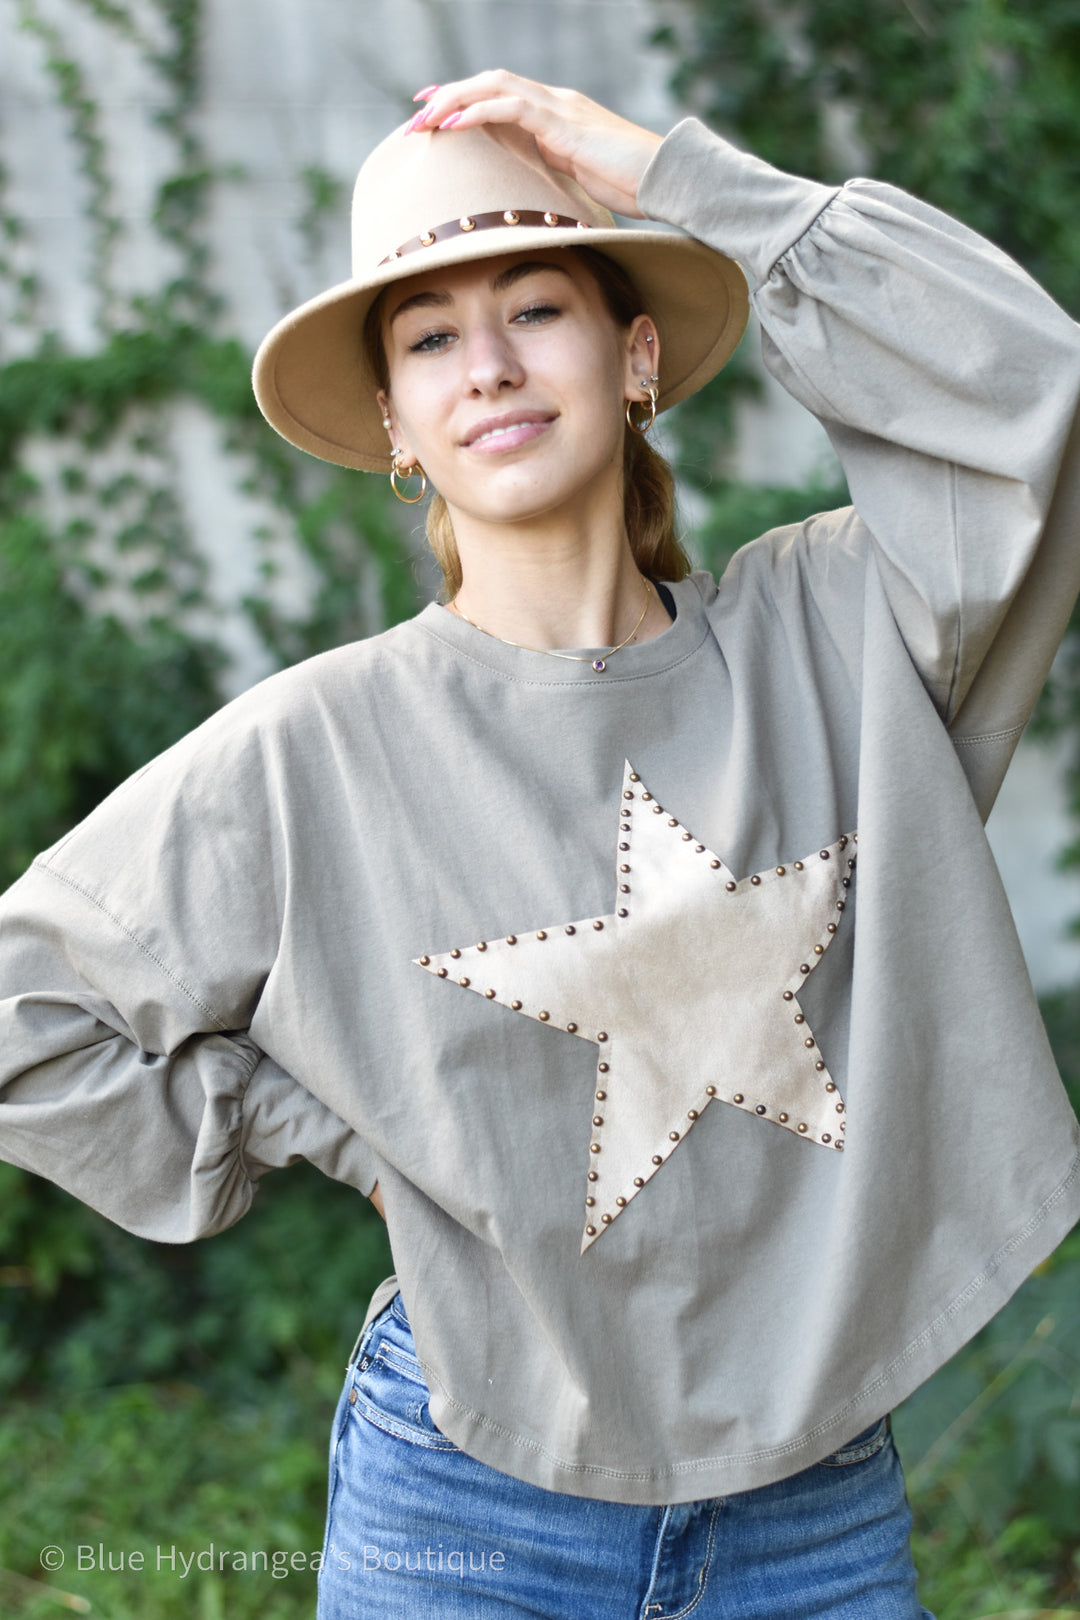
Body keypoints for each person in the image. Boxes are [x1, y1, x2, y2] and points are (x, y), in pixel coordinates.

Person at [3, 65, 1080, 1620]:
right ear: (395, 425)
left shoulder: (836, 633)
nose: (490, 366)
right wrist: (324, 1132)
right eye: (432, 337)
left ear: (637, 354)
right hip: (466, 1501)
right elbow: (25, 1013)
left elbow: (1030, 400)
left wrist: (680, 179)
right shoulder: (315, 747)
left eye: (539, 308)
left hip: (818, 1511)